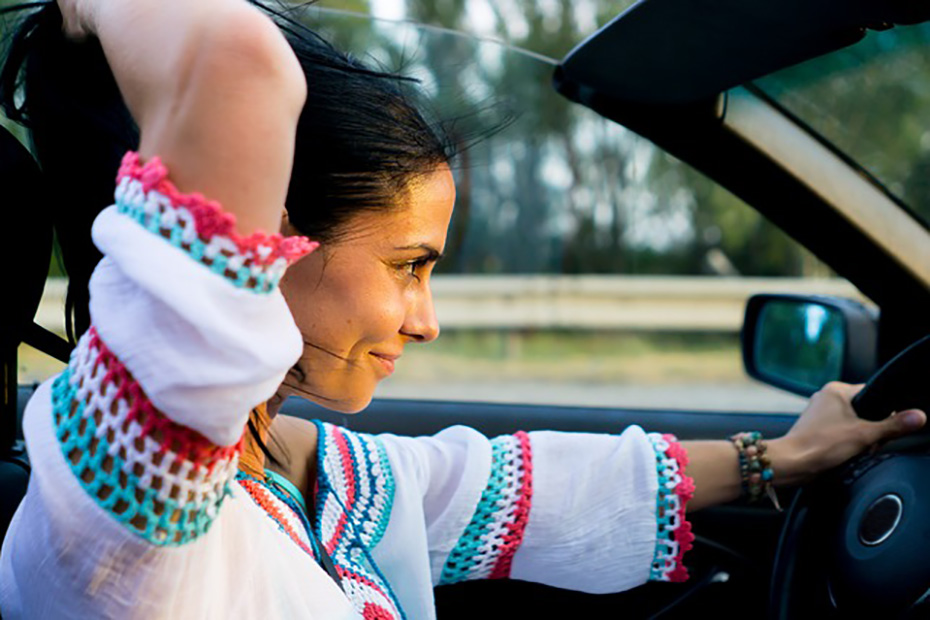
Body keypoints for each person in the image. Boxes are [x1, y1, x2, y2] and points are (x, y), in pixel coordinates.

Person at [0, 1, 925, 618]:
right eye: (408, 266)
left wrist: (784, 456)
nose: (425, 317)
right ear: (266, 239)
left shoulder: (283, 466)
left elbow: (498, 487)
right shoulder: (127, 503)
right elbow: (236, 74)